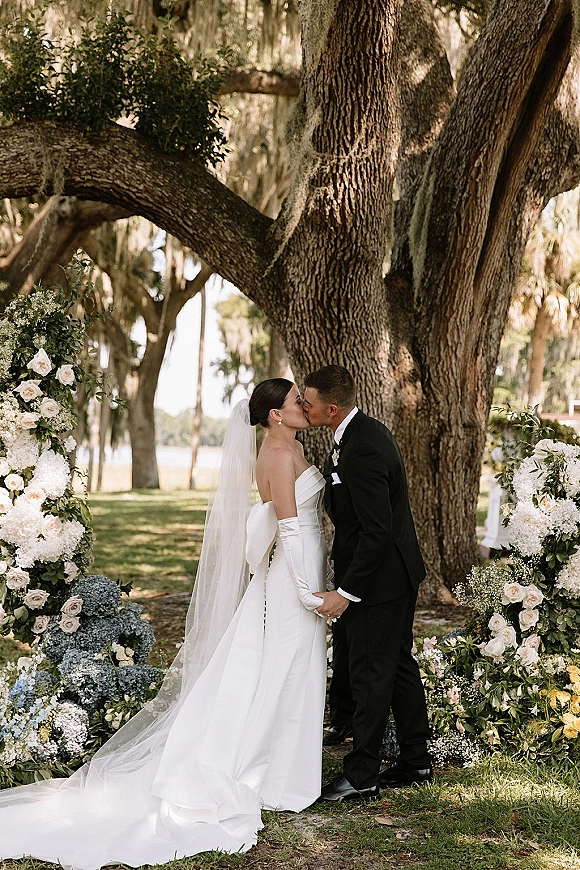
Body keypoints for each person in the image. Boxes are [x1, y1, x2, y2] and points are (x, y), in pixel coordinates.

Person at [0, 379, 328, 868]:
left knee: (293, 664)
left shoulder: (292, 446)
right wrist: (307, 590)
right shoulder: (277, 458)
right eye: (295, 402)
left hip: (308, 563)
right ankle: (275, 774)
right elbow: (286, 525)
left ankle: (286, 767)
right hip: (292, 576)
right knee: (288, 661)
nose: (304, 405)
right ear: (276, 415)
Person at [303, 365, 432, 801]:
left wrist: (345, 592)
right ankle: (416, 762)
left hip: (383, 580)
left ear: (331, 408)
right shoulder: (352, 438)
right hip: (386, 572)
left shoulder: (363, 447)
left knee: (371, 672)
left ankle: (362, 776)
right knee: (395, 665)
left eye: (309, 402)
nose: (304, 406)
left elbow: (377, 531)